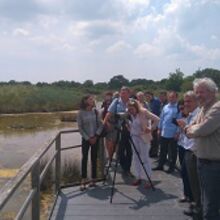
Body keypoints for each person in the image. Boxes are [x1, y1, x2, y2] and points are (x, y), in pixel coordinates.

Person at [185, 78, 220, 220]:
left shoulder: (217, 108)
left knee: (211, 208)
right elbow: (191, 125)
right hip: (203, 161)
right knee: (206, 201)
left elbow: (201, 130)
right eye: (196, 92)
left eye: (202, 92)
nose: (198, 95)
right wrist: (192, 128)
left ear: (212, 92)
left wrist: (191, 128)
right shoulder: (204, 108)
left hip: (214, 164)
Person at [177, 91, 201, 219]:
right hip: (187, 148)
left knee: (196, 182)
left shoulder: (198, 114)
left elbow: (195, 132)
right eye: (185, 101)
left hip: (194, 151)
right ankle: (194, 203)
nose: (186, 104)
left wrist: (185, 126)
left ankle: (198, 207)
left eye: (189, 101)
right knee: (188, 178)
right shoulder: (191, 114)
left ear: (197, 101)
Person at [127, 99, 160, 188]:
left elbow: (157, 119)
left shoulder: (143, 112)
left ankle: (148, 178)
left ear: (136, 107)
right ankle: (138, 176)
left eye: (132, 109)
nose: (130, 111)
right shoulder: (129, 114)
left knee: (145, 158)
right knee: (136, 157)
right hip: (134, 137)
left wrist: (151, 128)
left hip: (143, 137)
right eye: (129, 109)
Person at [104, 86, 132, 176]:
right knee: (120, 149)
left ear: (129, 93)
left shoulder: (132, 102)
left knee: (129, 149)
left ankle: (128, 168)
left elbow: (138, 112)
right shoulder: (116, 101)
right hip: (118, 128)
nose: (122, 94)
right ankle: (124, 166)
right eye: (121, 92)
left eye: (124, 92)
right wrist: (104, 123)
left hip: (130, 128)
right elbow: (109, 113)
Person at [77, 95, 103, 191]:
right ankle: (83, 180)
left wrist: (96, 136)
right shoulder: (80, 113)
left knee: (94, 158)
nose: (92, 101)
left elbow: (101, 125)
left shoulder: (96, 111)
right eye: (90, 99)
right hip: (86, 139)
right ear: (85, 101)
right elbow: (80, 128)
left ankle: (93, 179)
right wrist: (88, 138)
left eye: (93, 99)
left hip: (95, 138)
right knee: (84, 158)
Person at [153, 91, 179, 173]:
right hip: (164, 132)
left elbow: (180, 121)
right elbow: (161, 118)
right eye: (170, 97)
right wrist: (159, 129)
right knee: (162, 150)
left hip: (173, 134)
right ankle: (160, 165)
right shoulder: (166, 107)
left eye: (173, 97)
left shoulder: (178, 108)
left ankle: (171, 167)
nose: (171, 99)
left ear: (176, 98)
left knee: (172, 152)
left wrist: (177, 132)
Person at [145, 91, 161, 158]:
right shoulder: (150, 102)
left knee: (154, 138)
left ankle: (154, 153)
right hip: (151, 121)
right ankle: (152, 152)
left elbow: (154, 112)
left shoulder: (155, 101)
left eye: (148, 96)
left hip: (155, 120)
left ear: (152, 95)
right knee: (152, 138)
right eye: (146, 96)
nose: (147, 97)